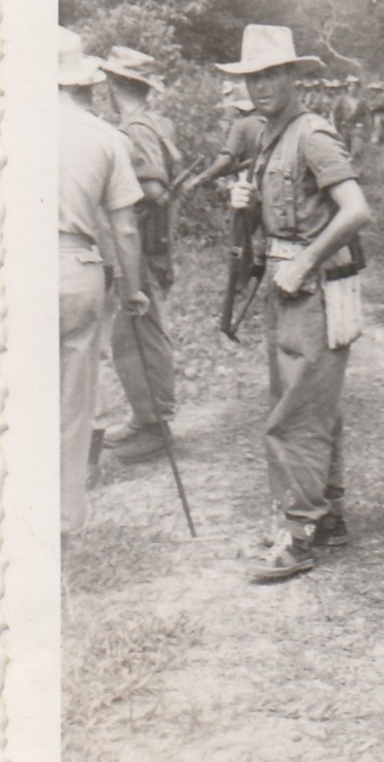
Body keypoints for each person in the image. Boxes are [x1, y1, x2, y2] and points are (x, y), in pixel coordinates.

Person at [226, 24, 372, 582]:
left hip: (311, 285)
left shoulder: (311, 133)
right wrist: (244, 201)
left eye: (271, 74)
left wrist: (306, 262)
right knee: (309, 403)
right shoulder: (269, 134)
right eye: (252, 77)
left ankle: (296, 535)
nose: (260, 86)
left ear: (293, 76)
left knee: (296, 412)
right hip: (287, 281)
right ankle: (326, 515)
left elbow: (355, 210)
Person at [58, 27, 148, 539]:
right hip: (77, 267)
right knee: (73, 403)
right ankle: (65, 518)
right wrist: (132, 289)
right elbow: (125, 226)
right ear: (82, 85)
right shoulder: (106, 137)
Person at [102, 46, 181, 464]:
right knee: (136, 333)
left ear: (114, 84)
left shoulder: (132, 129)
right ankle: (146, 418)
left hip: (142, 244)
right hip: (153, 242)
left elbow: (154, 190)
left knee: (137, 335)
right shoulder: (155, 122)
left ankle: (153, 426)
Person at [183, 78, 265, 192]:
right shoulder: (272, 124)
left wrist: (199, 179)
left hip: (250, 187)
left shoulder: (241, 125)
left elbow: (225, 161)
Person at [366, 81, 384, 145]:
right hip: (373, 114)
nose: (372, 91)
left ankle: (376, 141)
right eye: (372, 90)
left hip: (379, 114)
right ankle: (374, 140)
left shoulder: (381, 97)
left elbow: (381, 104)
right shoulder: (372, 98)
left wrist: (373, 106)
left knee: (377, 126)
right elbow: (368, 104)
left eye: (374, 90)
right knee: (373, 126)